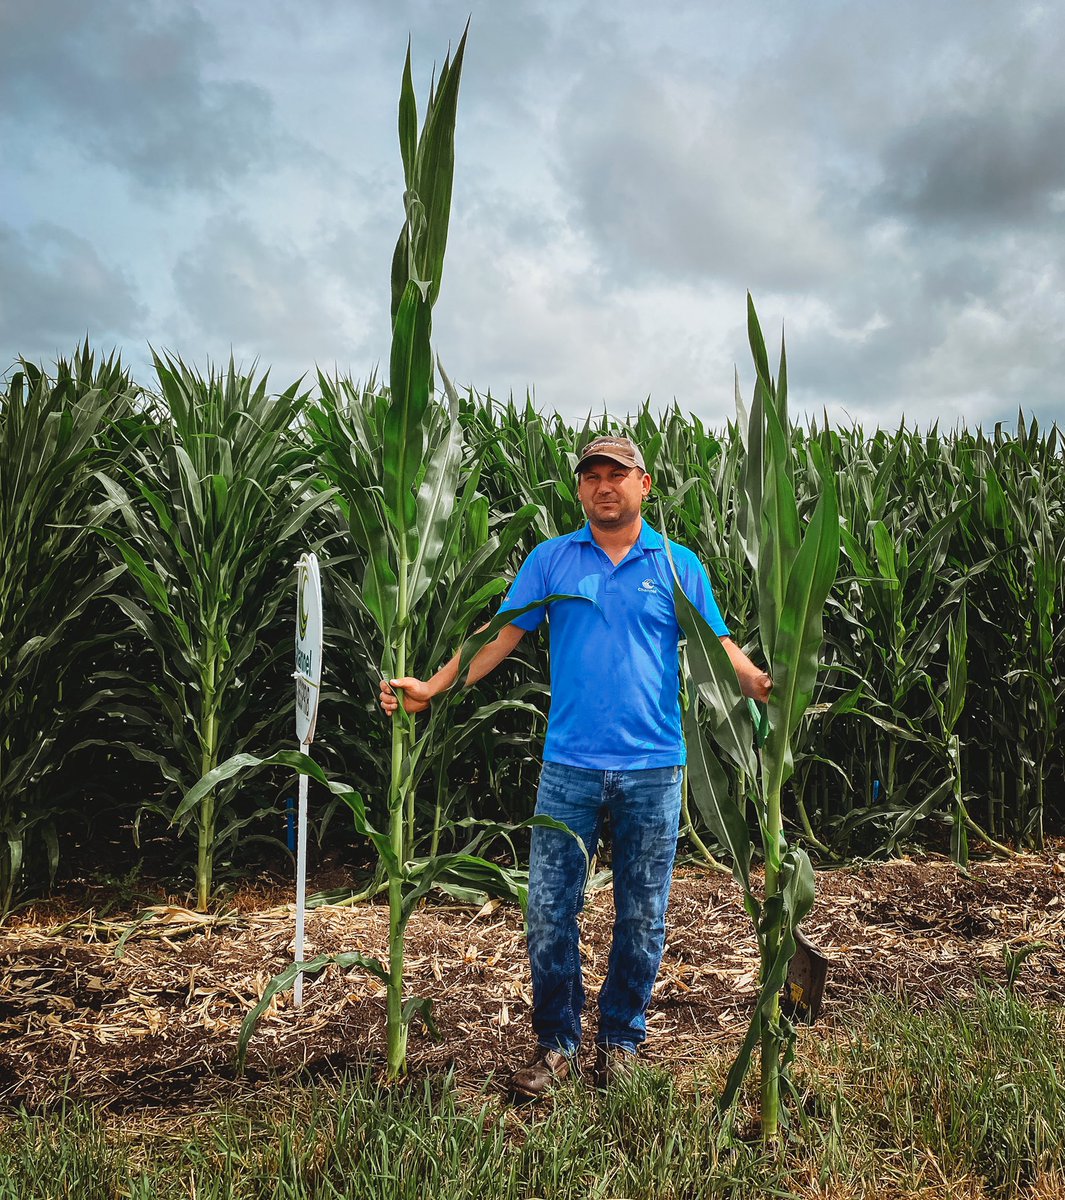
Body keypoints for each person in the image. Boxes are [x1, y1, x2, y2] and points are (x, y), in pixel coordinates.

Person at [379, 434, 771, 1099]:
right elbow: (497, 640)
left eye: (615, 474)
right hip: (569, 768)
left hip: (654, 768)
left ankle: (619, 1043)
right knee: (550, 912)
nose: (601, 485)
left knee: (641, 916)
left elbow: (718, 650)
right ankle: (557, 1046)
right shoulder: (552, 560)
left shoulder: (677, 566)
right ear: (579, 489)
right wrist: (431, 689)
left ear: (644, 484)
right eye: (590, 476)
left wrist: (762, 684)